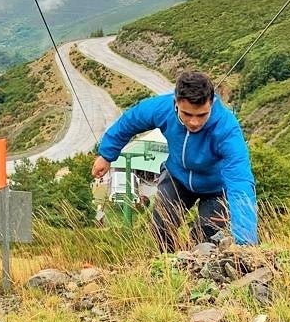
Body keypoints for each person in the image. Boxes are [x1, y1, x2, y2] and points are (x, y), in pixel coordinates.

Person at [91, 71, 257, 251]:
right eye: (187, 114)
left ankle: (193, 268)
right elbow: (131, 121)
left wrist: (246, 242)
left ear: (212, 103)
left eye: (202, 115)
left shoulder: (226, 128)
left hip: (216, 189)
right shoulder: (163, 108)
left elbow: (241, 182)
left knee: (204, 238)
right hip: (177, 177)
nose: (194, 122)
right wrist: (107, 154)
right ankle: (168, 268)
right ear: (176, 102)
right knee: (161, 228)